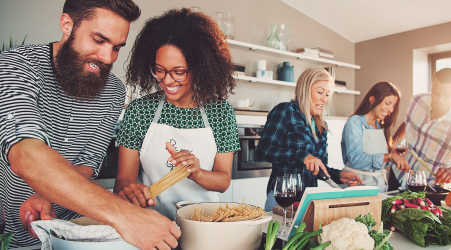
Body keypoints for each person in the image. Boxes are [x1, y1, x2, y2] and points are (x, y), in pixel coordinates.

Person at [0, 1, 182, 249]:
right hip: (7, 234)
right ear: (67, 24)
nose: (108, 58)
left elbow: (87, 163)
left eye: (117, 47)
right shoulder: (16, 66)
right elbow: (25, 153)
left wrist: (47, 193)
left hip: (70, 232)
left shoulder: (114, 91)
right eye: (98, 40)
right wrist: (125, 215)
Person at [113, 8, 240, 220]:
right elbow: (123, 180)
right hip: (153, 223)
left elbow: (223, 181)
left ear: (201, 68)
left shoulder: (221, 112)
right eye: (159, 70)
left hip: (205, 224)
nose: (167, 80)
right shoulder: (140, 111)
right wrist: (130, 193)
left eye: (178, 72)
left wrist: (197, 173)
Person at [257, 68, 363, 211]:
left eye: (327, 94)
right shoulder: (286, 111)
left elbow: (317, 167)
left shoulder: (321, 125)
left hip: (308, 200)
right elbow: (263, 151)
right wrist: (302, 156)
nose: (324, 99)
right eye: (320, 92)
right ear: (305, 90)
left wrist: (339, 176)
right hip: (282, 198)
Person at [392, 68, 451, 185]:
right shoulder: (417, 101)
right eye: (436, 93)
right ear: (432, 86)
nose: (440, 100)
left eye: (447, 95)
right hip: (396, 175)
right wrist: (393, 145)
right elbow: (407, 122)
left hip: (426, 188)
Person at [341, 81, 410, 192]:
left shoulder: (378, 126)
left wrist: (393, 155)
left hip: (378, 188)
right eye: (388, 103)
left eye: (393, 106)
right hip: (357, 186)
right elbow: (356, 159)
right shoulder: (355, 122)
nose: (391, 110)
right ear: (372, 100)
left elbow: (377, 162)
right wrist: (389, 157)